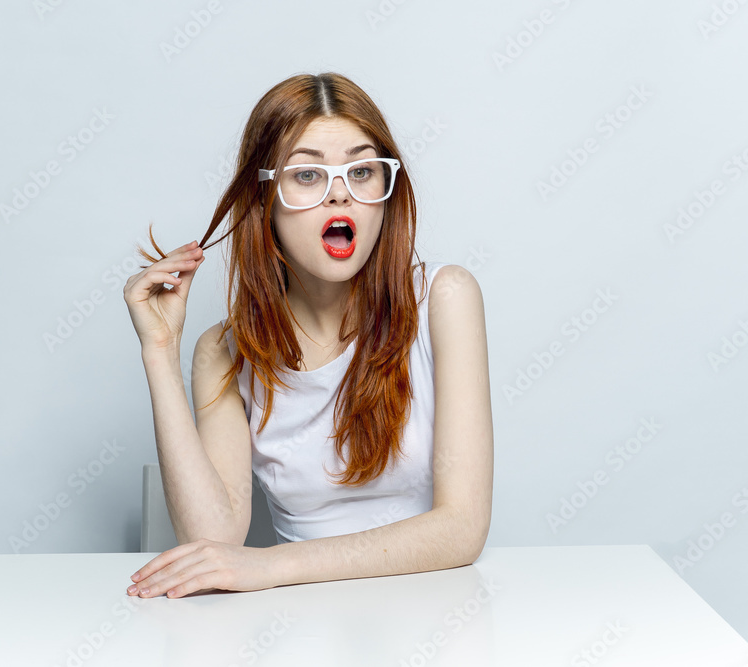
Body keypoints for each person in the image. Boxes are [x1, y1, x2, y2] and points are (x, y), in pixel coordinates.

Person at [122, 72, 493, 600]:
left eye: (362, 170)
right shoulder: (225, 352)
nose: (340, 193)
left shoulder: (444, 300)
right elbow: (213, 546)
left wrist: (269, 565)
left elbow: (462, 528)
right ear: (264, 200)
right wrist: (158, 353)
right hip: (296, 623)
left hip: (436, 609)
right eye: (307, 176)